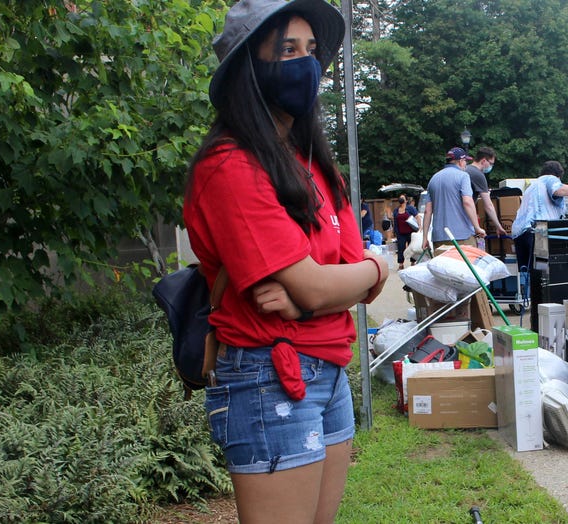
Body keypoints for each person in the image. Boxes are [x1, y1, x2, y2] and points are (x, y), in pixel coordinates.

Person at [182, 1, 388, 522]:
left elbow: (342, 270)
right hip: (267, 375)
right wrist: (352, 281)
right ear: (250, 68)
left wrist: (371, 272)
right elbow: (323, 286)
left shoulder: (314, 163)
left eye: (312, 51)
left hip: (329, 370)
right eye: (288, 51)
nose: (306, 65)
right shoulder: (229, 167)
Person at [510, 160, 568, 272]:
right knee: (541, 273)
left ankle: (527, 290)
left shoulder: (533, 186)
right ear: (558, 175)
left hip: (519, 233)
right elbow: (558, 190)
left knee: (525, 273)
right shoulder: (550, 179)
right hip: (536, 231)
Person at [421, 147, 486, 252]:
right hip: (462, 236)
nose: (466, 164)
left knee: (443, 268)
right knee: (465, 267)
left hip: (439, 238)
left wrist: (424, 238)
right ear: (460, 161)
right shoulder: (463, 176)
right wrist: (477, 227)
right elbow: (467, 202)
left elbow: (427, 211)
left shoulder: (433, 179)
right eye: (465, 161)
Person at [465, 146, 505, 234]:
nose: (491, 166)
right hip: (465, 221)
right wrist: (498, 226)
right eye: (491, 163)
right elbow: (488, 205)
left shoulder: (465, 169)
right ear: (483, 161)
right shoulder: (478, 174)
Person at [392, 193, 419, 269]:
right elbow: (395, 221)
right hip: (400, 233)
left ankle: (413, 262)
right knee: (401, 248)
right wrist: (394, 231)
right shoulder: (396, 210)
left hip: (411, 232)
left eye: (403, 198)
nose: (401, 199)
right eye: (400, 198)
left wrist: (419, 227)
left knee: (412, 247)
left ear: (406, 200)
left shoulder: (410, 208)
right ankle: (401, 264)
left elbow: (417, 217)